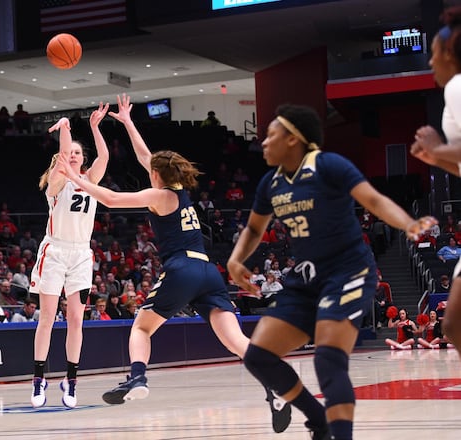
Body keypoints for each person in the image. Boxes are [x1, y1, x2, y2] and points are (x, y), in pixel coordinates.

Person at [58, 94, 290, 433]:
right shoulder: (179, 190)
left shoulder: (158, 195)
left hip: (182, 269)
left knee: (141, 327)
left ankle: (137, 378)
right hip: (209, 272)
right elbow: (145, 157)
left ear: (155, 174)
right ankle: (277, 384)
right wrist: (126, 122)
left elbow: (109, 198)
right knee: (236, 341)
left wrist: (75, 178)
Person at [226, 103, 437, 440]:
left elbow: (374, 200)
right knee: (259, 356)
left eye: (271, 135)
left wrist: (409, 223)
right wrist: (236, 260)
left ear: (294, 139)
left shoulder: (328, 165)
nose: (263, 143)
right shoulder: (271, 182)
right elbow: (253, 230)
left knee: (328, 360)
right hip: (306, 279)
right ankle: (317, 420)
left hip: (348, 272)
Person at [28, 101, 110, 409]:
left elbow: (104, 156)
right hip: (55, 250)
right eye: (69, 152)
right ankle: (38, 380)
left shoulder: (91, 180)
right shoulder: (56, 183)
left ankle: (70, 381)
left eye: (78, 152)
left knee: (76, 319)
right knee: (47, 318)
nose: (73, 155)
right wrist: (64, 127)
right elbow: (63, 156)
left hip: (80, 254)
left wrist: (94, 126)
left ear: (83, 158)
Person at [409, 6, 461, 355]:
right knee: (454, 322)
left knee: (455, 323)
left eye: (433, 55)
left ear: (449, 54)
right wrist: (437, 157)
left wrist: (438, 149)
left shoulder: (457, 84)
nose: (430, 63)